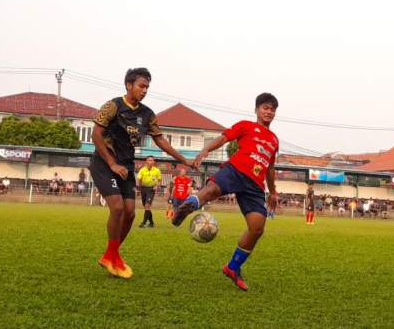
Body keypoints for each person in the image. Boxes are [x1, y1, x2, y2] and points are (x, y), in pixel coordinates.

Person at [90, 67, 190, 279]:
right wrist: (111, 162)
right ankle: (112, 256)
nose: (144, 90)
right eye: (141, 86)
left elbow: (160, 139)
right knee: (117, 208)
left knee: (131, 213)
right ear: (129, 85)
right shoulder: (112, 106)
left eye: (147, 87)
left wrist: (183, 160)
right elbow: (96, 134)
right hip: (104, 163)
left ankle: (111, 255)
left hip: (125, 167)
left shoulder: (147, 114)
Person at [174, 93, 280, 291]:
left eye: (273, 109)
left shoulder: (274, 140)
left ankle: (232, 268)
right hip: (236, 170)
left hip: (255, 186)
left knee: (257, 228)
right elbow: (224, 138)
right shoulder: (246, 126)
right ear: (256, 110)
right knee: (212, 189)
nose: (269, 112)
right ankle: (188, 206)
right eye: (265, 107)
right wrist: (205, 150)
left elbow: (271, 167)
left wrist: (273, 191)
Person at [136, 156, 162, 228]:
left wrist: (157, 186)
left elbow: (159, 180)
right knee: (146, 207)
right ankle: (151, 223)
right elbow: (138, 178)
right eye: (149, 160)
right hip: (143, 188)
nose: (150, 161)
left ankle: (143, 223)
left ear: (154, 162)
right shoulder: (142, 170)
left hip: (151, 189)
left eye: (152, 160)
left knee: (147, 205)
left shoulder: (157, 170)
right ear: (146, 161)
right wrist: (138, 187)